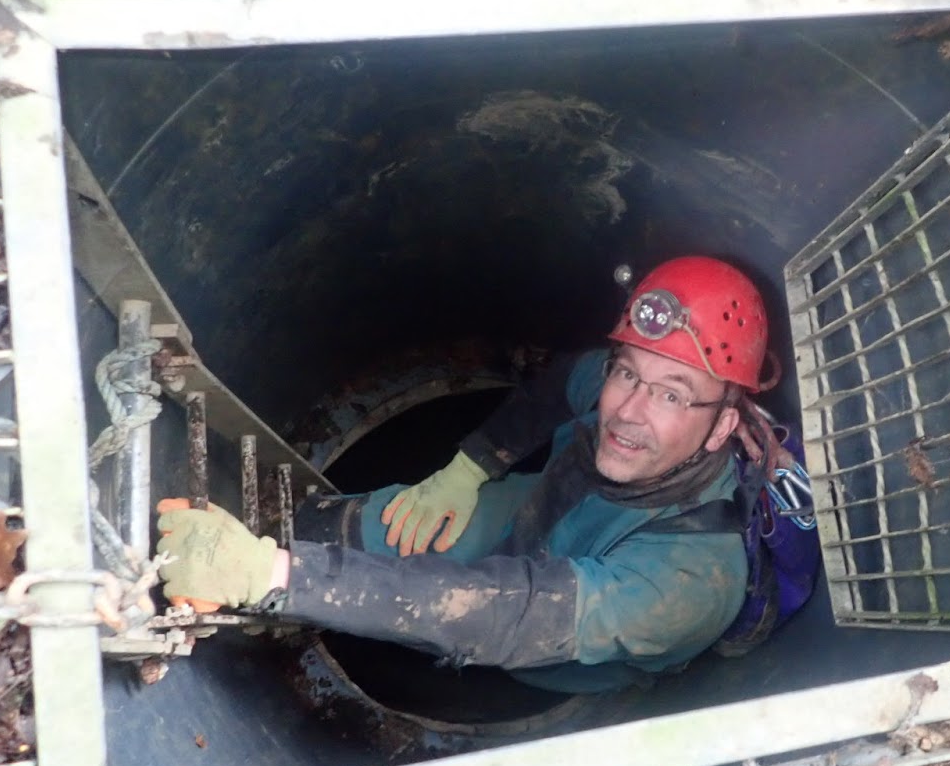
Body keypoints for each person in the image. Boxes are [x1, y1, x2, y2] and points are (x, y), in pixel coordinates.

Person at [154, 256, 780, 694]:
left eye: (673, 395)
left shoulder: (689, 582)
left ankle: (266, 576)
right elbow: (566, 381)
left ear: (723, 425)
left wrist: (275, 575)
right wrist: (468, 467)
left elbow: (508, 615)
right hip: (539, 514)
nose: (629, 410)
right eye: (629, 374)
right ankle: (250, 546)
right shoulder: (618, 386)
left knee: (446, 617)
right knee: (364, 528)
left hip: (557, 637)